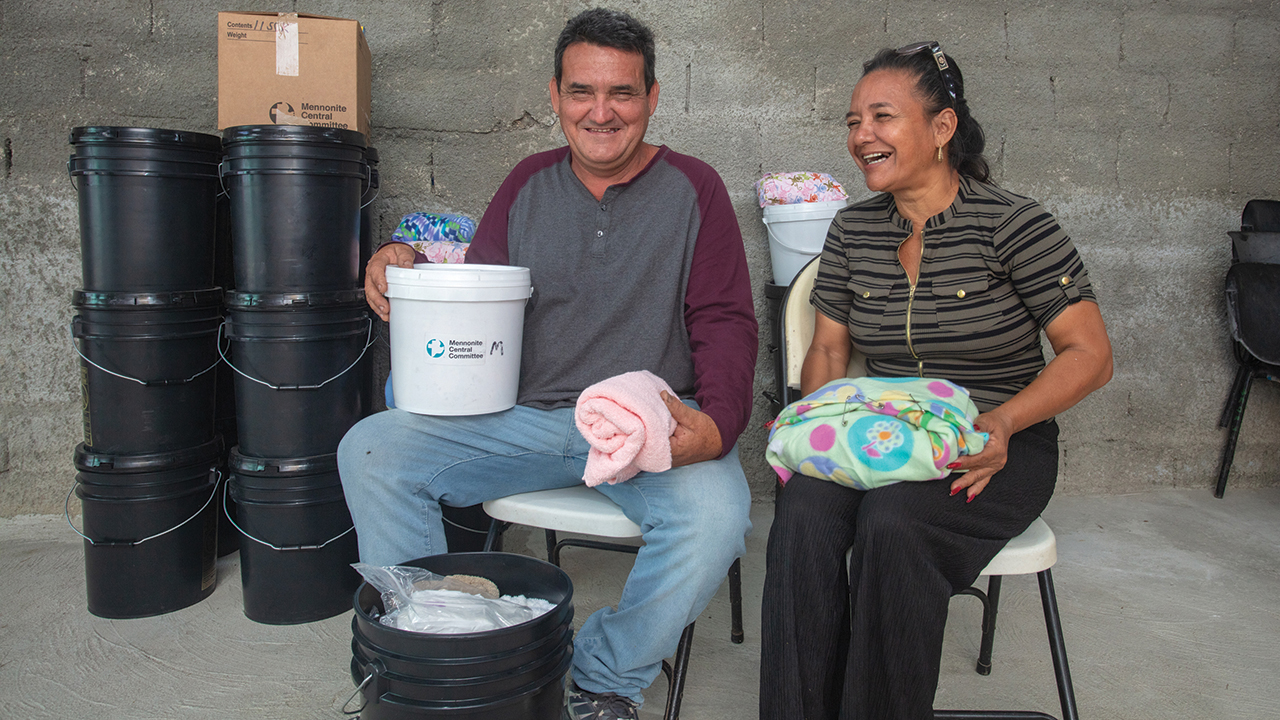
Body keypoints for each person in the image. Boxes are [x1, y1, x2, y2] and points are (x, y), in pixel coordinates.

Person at [338, 9, 757, 720]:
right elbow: (478, 297)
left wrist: (718, 425)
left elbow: (725, 319)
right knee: (371, 449)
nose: (601, 112)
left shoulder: (696, 188)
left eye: (622, 92)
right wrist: (409, 263)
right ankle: (440, 647)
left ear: (653, 97)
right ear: (556, 96)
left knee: (717, 516)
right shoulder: (528, 181)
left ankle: (604, 677)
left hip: (643, 428)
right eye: (581, 91)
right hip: (524, 421)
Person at [759, 42, 1113, 719]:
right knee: (803, 511)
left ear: (942, 126)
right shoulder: (853, 230)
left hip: (998, 441)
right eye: (854, 121)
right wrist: (810, 430)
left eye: (882, 117)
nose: (862, 136)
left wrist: (1004, 422)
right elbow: (828, 349)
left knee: (895, 523)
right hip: (884, 435)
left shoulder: (1015, 225)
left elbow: (1090, 354)